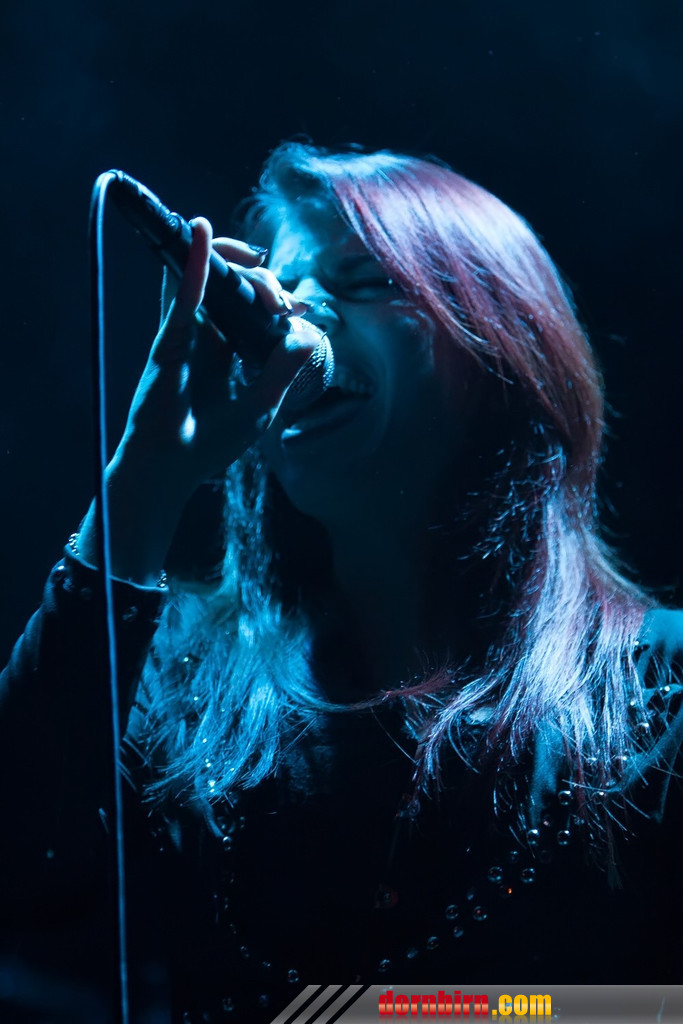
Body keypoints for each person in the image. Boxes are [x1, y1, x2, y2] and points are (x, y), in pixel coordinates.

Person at [1, 142, 681, 1022]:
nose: (300, 313)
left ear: (504, 348)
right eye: (284, 290)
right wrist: (142, 484)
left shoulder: (656, 693)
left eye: (364, 281)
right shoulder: (177, 689)